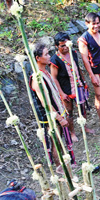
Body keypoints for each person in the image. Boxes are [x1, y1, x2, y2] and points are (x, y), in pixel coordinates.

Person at [30, 43, 76, 173]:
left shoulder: (45, 72)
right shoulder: (37, 78)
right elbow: (46, 103)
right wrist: (59, 118)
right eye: (46, 54)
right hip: (50, 116)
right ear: (38, 58)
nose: (49, 56)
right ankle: (59, 168)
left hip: (57, 112)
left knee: (59, 139)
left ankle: (64, 165)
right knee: (55, 141)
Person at [50, 32, 92, 141]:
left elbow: (78, 68)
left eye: (66, 44)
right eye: (62, 45)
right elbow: (54, 78)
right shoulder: (55, 60)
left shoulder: (73, 53)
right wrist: (61, 93)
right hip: (66, 89)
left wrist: (83, 81)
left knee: (82, 108)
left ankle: (85, 127)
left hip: (78, 86)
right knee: (69, 112)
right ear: (56, 46)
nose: (65, 47)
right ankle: (72, 133)